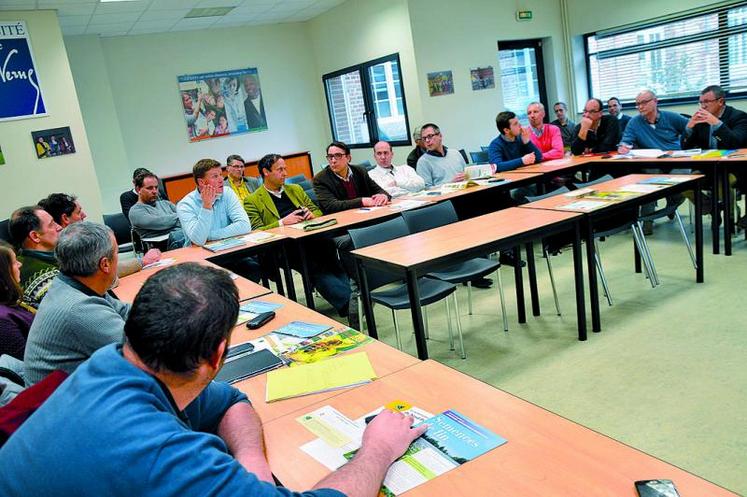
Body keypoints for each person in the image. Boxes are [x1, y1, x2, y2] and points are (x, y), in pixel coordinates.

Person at [0, 262, 426, 497]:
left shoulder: (108, 363)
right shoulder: (166, 453)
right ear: (218, 353)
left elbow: (228, 400)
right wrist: (378, 450)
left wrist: (252, 462)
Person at [245, 154, 351, 317]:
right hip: (284, 246)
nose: (285, 173)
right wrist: (282, 222)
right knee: (310, 261)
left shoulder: (295, 189)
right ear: (266, 172)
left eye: (285, 169)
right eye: (280, 170)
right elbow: (257, 230)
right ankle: (347, 303)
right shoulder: (252, 200)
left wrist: (311, 214)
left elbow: (317, 210)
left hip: (310, 237)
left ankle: (350, 297)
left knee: (329, 249)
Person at [23, 221, 129, 386]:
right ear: (105, 264)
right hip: (64, 408)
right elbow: (140, 351)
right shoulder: (78, 309)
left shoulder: (74, 284)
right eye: (116, 253)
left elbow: (126, 311)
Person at [177, 158, 260, 281]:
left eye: (221, 174)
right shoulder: (185, 205)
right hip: (202, 259)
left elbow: (244, 225)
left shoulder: (228, 193)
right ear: (201, 182)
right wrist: (206, 206)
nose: (221, 179)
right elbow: (199, 240)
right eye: (215, 176)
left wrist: (209, 236)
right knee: (216, 282)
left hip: (229, 251)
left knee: (253, 268)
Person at [619, 90, 690, 233]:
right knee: (649, 181)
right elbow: (625, 142)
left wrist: (686, 146)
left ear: (655, 102)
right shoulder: (634, 122)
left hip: (675, 161)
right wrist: (623, 148)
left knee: (683, 180)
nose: (640, 107)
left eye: (644, 103)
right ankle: (646, 223)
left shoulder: (671, 117)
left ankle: (673, 200)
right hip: (652, 163)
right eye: (637, 104)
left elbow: (692, 129)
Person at [40, 192, 161, 274]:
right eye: (79, 212)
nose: (84, 215)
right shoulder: (69, 248)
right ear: (65, 218)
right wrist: (142, 261)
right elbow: (103, 272)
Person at [313, 141, 390, 213]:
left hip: (365, 214)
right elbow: (331, 206)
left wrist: (383, 196)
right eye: (330, 157)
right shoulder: (320, 179)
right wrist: (362, 201)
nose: (333, 160)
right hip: (341, 220)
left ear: (348, 158)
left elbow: (380, 191)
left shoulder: (360, 171)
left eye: (338, 156)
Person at [8, 206, 62, 309]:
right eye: (52, 224)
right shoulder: (47, 277)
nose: (59, 227)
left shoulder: (21, 260)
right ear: (35, 236)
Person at [128, 172, 187, 251]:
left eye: (156, 187)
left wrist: (177, 219)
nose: (154, 191)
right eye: (149, 188)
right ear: (138, 189)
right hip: (160, 248)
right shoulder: (135, 211)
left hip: (182, 240)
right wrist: (178, 217)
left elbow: (185, 217)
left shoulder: (166, 204)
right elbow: (161, 223)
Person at [0, 241, 34, 361]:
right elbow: (27, 360)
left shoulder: (11, 301)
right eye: (14, 262)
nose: (20, 264)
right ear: (3, 273)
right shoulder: (2, 320)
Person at [416, 123, 468, 187]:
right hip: (447, 196)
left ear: (440, 136)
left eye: (430, 136)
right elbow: (426, 190)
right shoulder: (423, 162)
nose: (427, 140)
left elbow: (467, 174)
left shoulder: (455, 153)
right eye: (424, 138)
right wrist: (450, 185)